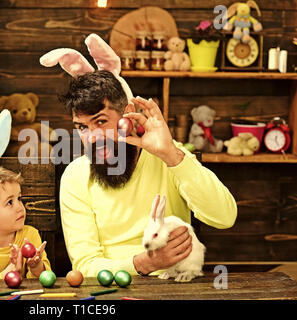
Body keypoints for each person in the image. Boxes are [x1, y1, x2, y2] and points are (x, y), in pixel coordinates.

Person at [58, 70, 237, 277]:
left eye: (101, 122)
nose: (92, 138)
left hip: (171, 286)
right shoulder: (75, 176)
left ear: (128, 115)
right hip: (107, 291)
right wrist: (145, 263)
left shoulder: (169, 156)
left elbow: (225, 217)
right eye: (82, 127)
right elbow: (85, 266)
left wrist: (171, 154)